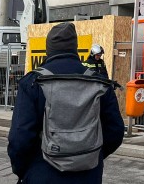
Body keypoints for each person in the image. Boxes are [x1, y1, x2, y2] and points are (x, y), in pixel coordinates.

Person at [8, 23, 124, 183]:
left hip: (42, 174)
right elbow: (116, 131)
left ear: (48, 49)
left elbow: (19, 138)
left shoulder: (33, 83)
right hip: (88, 176)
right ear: (75, 48)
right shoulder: (99, 83)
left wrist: (24, 170)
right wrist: (92, 156)